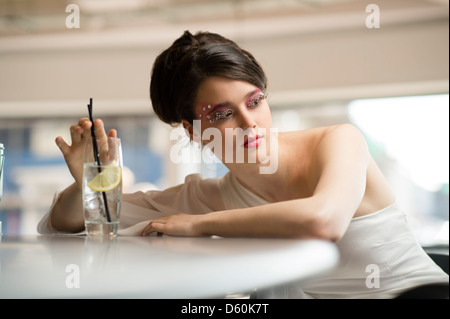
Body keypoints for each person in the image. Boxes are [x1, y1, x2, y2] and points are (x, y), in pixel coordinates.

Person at [38, 30, 448, 298]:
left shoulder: (339, 140)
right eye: (222, 113)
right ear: (194, 129)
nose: (250, 121)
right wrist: (90, 182)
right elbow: (66, 224)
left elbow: (323, 221)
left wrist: (199, 224)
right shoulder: (206, 195)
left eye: (255, 101)